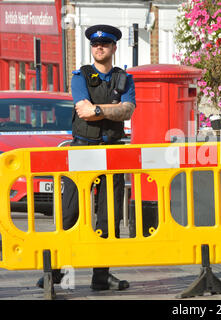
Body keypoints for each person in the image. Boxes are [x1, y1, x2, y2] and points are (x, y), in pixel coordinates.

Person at [37, 24, 136, 291]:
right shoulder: (81, 75)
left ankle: (101, 275)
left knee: (109, 217)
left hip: (112, 151)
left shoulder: (124, 78)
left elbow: (127, 111)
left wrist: (99, 109)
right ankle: (57, 272)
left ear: (114, 48)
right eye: (94, 45)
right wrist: (109, 109)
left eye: (104, 45)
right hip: (82, 150)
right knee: (70, 212)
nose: (99, 48)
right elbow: (83, 111)